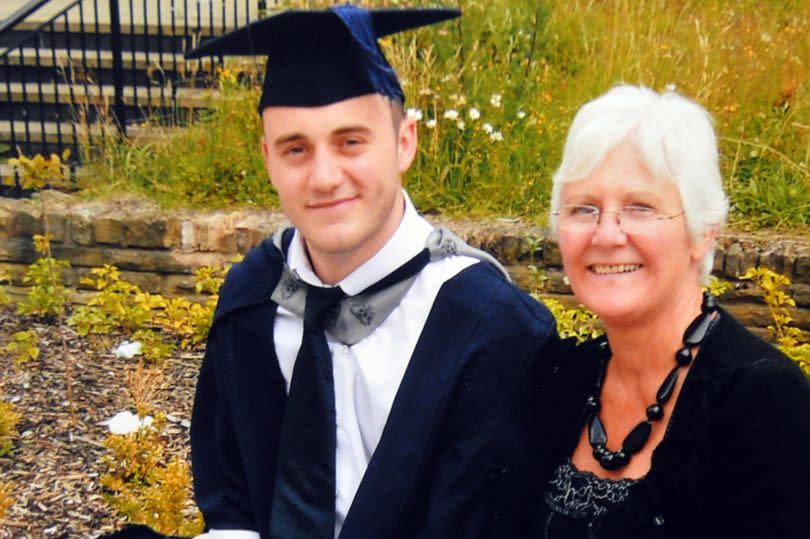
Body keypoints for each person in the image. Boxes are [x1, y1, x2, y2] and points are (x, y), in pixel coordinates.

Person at [94, 5, 555, 539]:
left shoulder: (493, 333)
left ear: (405, 142)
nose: (325, 176)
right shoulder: (253, 296)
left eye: (350, 141)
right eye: (296, 149)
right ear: (267, 159)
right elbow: (233, 504)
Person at [530, 84, 810, 538]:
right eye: (584, 208)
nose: (606, 235)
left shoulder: (762, 403)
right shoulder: (560, 380)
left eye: (640, 208)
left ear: (703, 233)